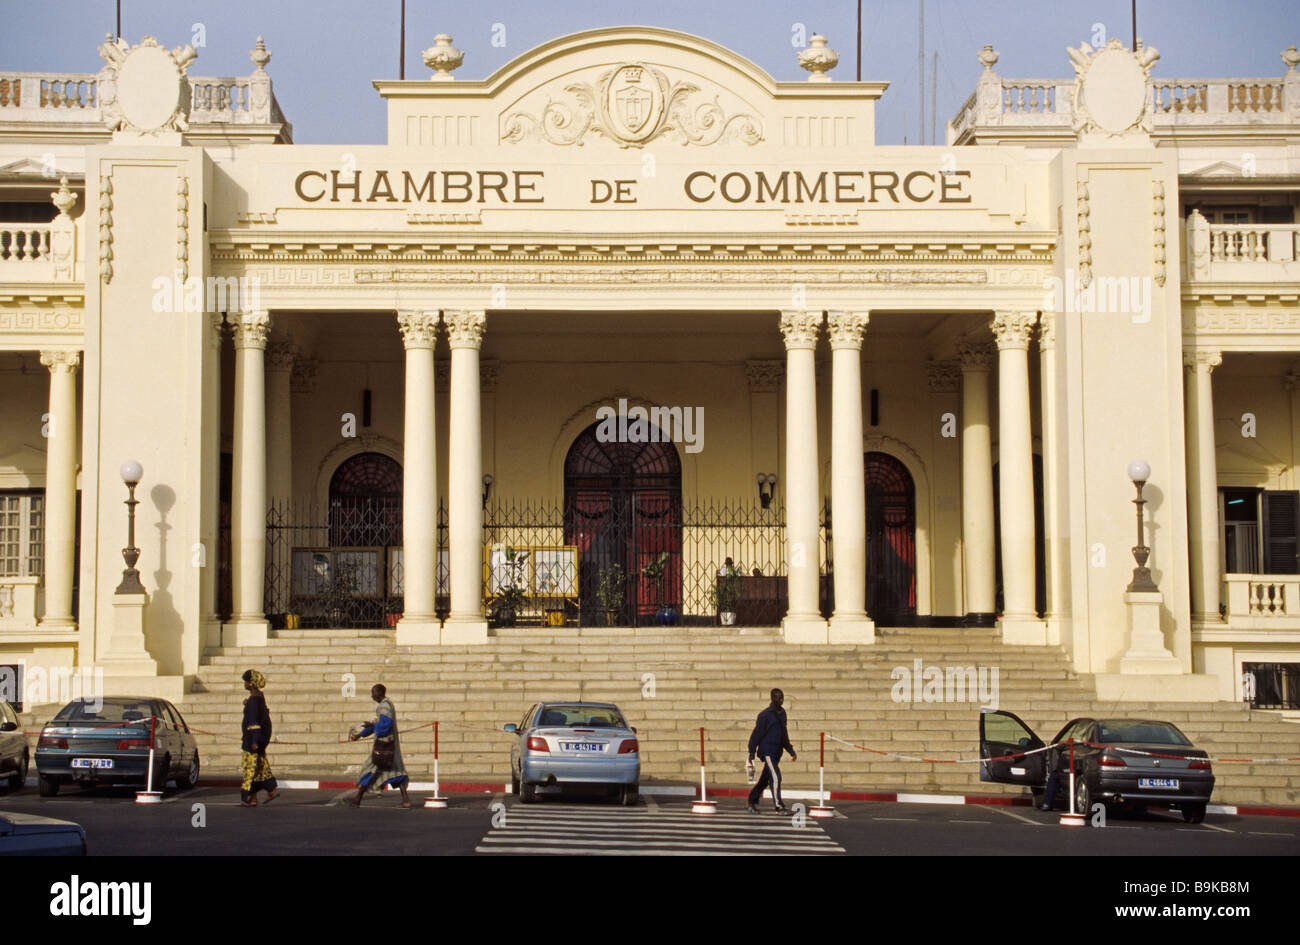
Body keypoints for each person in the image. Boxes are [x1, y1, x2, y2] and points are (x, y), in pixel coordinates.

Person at [346, 684, 411, 808]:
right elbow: (377, 724)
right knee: (396, 773)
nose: (372, 696)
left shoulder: (385, 706)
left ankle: (357, 799)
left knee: (369, 769)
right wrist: (360, 735)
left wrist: (372, 725)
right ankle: (405, 800)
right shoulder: (385, 705)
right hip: (389, 747)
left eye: (373, 693)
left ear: (379, 693)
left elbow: (385, 726)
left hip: (384, 747)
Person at [747, 687, 796, 814]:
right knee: (776, 776)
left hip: (777, 752)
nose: (781, 700)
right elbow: (756, 734)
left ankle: (752, 800)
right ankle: (779, 806)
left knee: (765, 779)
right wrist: (751, 752)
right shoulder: (765, 715)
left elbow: (784, 733)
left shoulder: (782, 713)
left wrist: (790, 750)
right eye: (779, 697)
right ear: (772, 698)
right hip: (767, 751)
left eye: (782, 697)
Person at [239, 669, 278, 807]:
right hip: (257, 739)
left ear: (251, 684)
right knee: (260, 767)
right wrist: (247, 704)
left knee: (250, 768)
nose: (244, 684)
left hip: (252, 740)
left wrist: (255, 741)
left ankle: (253, 794)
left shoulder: (254, 700)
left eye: (246, 681)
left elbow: (254, 721)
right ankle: (256, 796)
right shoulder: (258, 697)